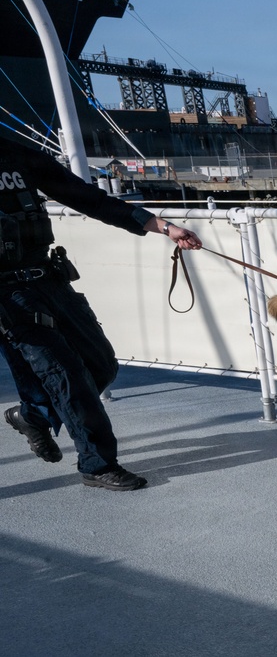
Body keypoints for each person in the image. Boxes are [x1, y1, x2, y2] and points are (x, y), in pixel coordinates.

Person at [0, 134, 202, 490]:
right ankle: (97, 464)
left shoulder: (14, 152)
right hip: (7, 296)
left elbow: (86, 197)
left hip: (49, 278)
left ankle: (32, 415)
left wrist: (160, 226)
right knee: (65, 375)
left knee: (101, 366)